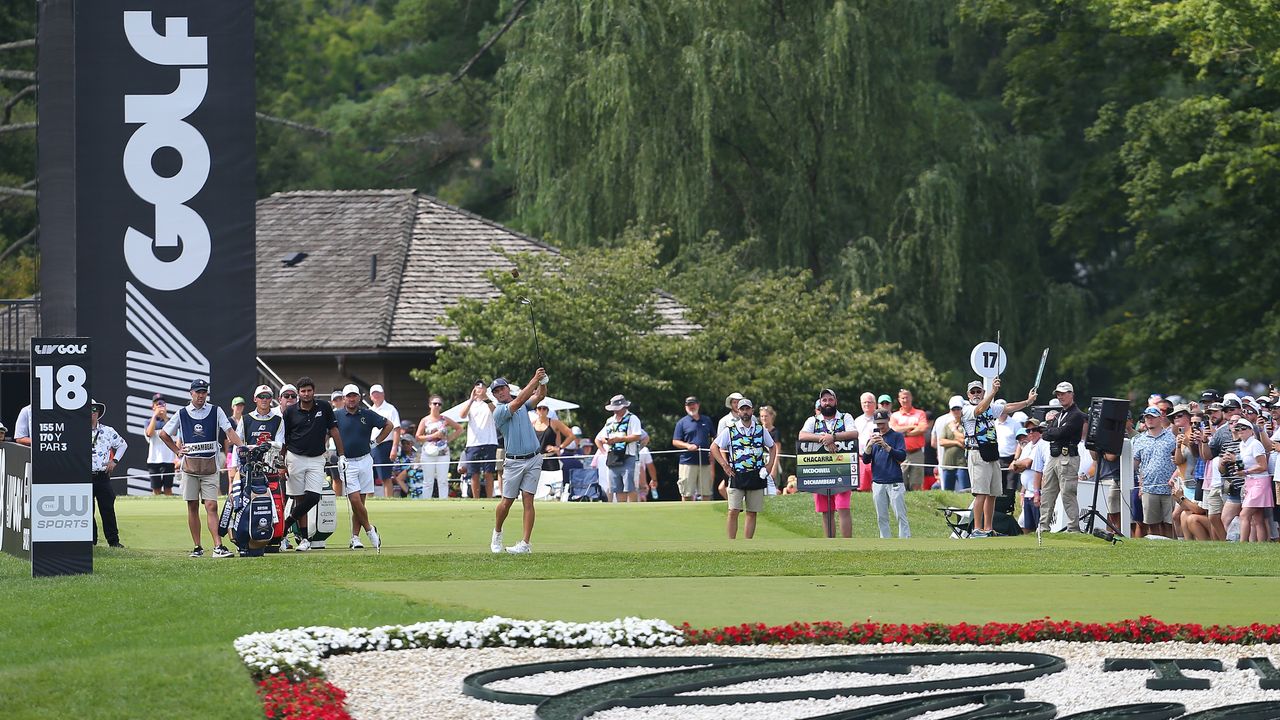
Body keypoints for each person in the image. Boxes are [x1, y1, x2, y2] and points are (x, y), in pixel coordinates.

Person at [159, 379, 243, 558]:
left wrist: (243, 447)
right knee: (193, 506)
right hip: (189, 468)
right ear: (191, 393)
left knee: (211, 505)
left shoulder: (216, 410)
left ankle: (218, 546)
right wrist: (177, 450)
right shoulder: (182, 413)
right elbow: (163, 433)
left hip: (210, 467)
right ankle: (197, 547)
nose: (200, 395)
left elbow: (229, 432)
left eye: (203, 392)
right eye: (197, 392)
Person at [965, 378, 1036, 538]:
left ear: (982, 392)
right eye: (973, 392)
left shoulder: (990, 407)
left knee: (992, 493)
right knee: (980, 493)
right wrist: (993, 392)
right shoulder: (967, 409)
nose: (976, 394)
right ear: (968, 395)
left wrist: (1027, 402)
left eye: (979, 391)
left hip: (992, 453)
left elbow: (1007, 408)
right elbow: (980, 409)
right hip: (977, 452)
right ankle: (977, 529)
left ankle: (988, 528)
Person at [280, 377, 344, 551]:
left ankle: (285, 525)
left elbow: (334, 430)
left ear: (313, 391)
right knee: (299, 498)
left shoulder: (324, 407)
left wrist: (342, 454)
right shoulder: (290, 412)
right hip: (295, 457)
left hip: (317, 457)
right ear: (299, 393)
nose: (306, 394)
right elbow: (283, 439)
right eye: (303, 391)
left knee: (313, 497)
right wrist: (281, 462)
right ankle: (304, 539)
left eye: (309, 390)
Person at [490, 370, 548, 554]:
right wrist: (535, 379)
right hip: (514, 462)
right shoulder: (500, 411)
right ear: (495, 395)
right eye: (497, 391)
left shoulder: (523, 405)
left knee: (528, 500)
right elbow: (518, 402)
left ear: (508, 388)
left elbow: (540, 395)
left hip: (534, 458)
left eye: (502, 388)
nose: (500, 392)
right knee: (506, 502)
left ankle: (525, 544)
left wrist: (543, 382)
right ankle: (497, 532)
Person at [710, 397, 777, 539]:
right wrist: (724, 465)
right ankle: (732, 544)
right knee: (733, 510)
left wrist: (770, 465)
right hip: (737, 475)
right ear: (738, 411)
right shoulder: (730, 430)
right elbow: (714, 447)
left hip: (757, 474)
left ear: (752, 411)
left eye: (748, 409)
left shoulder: (760, 430)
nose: (745, 412)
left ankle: (747, 544)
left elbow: (772, 446)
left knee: (752, 512)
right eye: (742, 409)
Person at [797, 389, 860, 539]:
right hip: (821, 471)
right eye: (824, 400)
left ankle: (848, 545)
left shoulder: (845, 417)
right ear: (820, 402)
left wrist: (834, 437)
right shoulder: (813, 420)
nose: (827, 403)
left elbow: (854, 433)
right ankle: (830, 544)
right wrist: (824, 439)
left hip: (842, 469)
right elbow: (802, 435)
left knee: (843, 508)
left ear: (835, 401)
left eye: (830, 400)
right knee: (826, 511)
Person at [335, 384, 391, 550]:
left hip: (365, 460)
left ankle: (355, 538)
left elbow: (389, 425)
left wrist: (376, 442)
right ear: (344, 398)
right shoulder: (336, 415)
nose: (351, 399)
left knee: (361, 502)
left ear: (359, 397)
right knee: (354, 499)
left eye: (354, 396)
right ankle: (369, 530)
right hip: (347, 462)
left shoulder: (367, 414)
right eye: (348, 396)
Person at [1037, 381, 1087, 532]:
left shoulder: (1077, 415)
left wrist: (1052, 431)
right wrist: (1053, 431)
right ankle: (1043, 526)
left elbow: (1059, 432)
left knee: (1067, 493)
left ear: (1071, 394)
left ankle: (1073, 527)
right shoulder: (1060, 414)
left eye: (1063, 393)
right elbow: (1046, 434)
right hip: (1054, 455)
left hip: (1068, 456)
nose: (1060, 397)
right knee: (1047, 492)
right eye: (1058, 394)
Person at [861, 408, 909, 538]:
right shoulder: (872, 438)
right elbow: (865, 460)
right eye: (878, 423)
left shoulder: (897, 436)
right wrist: (870, 445)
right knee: (881, 516)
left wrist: (886, 446)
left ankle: (905, 540)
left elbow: (902, 456)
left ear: (888, 420)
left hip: (894, 480)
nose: (880, 426)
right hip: (877, 481)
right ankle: (885, 541)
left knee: (900, 514)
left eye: (882, 422)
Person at [89, 400, 127, 548]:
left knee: (107, 509)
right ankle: (91, 541)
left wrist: (114, 461)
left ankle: (113, 541)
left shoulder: (107, 431)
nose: (91, 412)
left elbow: (123, 444)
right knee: (86, 510)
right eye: (88, 409)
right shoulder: (76, 431)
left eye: (94, 410)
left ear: (98, 413)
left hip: (102, 476)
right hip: (84, 476)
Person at [1133, 406, 1176, 537]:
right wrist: (1140, 485)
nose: (1149, 420)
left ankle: (1172, 549)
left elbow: (1179, 460)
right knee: (1152, 524)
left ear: (1160, 418)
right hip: (1149, 488)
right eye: (1147, 417)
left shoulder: (1171, 437)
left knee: (1170, 523)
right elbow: (1136, 464)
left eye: (1152, 417)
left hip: (1169, 487)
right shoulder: (1139, 440)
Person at [596, 395, 645, 502]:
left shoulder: (633, 418)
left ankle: (633, 509)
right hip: (613, 456)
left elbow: (637, 436)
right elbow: (600, 438)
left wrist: (620, 439)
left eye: (617, 409)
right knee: (617, 487)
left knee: (629, 485)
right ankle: (621, 508)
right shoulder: (609, 421)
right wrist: (606, 441)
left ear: (624, 407)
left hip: (628, 456)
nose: (615, 411)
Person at [1232, 418, 1272, 542]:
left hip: (1260, 482)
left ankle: (1242, 543)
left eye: (1244, 428)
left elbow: (1263, 466)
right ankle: (1261, 545)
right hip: (1250, 481)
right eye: (1238, 429)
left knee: (1244, 514)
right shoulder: (1242, 445)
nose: (1240, 431)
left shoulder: (1255, 444)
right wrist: (1238, 467)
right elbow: (1245, 464)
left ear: (1251, 431)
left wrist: (1245, 472)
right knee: (1257, 517)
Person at [416, 395, 462, 500]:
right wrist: (433, 436)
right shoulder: (425, 420)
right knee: (428, 481)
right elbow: (418, 437)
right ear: (430, 405)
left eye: (439, 404)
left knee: (443, 480)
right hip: (428, 452)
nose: (437, 406)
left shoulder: (444, 419)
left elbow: (459, 429)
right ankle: (426, 502)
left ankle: (443, 501)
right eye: (434, 403)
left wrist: (448, 439)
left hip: (443, 453)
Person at [459, 381, 499, 498]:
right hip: (473, 443)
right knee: (474, 473)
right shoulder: (469, 403)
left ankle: (489, 498)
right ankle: (476, 499)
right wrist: (471, 399)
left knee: (489, 472)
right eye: (477, 387)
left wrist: (485, 397)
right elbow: (462, 415)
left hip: (489, 441)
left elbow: (495, 411)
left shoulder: (491, 401)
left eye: (482, 387)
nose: (479, 390)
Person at [672, 396, 714, 501]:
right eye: (689, 405)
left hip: (705, 461)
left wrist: (713, 453)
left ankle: (705, 514)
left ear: (698, 405)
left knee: (706, 492)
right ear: (686, 407)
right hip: (687, 462)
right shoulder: (682, 423)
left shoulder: (706, 420)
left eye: (693, 404)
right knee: (686, 493)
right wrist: (687, 446)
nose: (691, 407)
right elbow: (675, 441)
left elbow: (715, 437)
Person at [889, 389, 929, 490]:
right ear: (899, 400)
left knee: (916, 483)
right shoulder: (895, 415)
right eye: (903, 398)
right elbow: (894, 429)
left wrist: (904, 433)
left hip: (917, 453)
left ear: (911, 398)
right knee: (901, 482)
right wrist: (912, 426)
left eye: (907, 397)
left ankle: (915, 503)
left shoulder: (920, 413)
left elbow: (923, 428)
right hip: (900, 453)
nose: (905, 400)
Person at [367, 384, 402, 498]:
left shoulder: (391, 409)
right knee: (368, 476)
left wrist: (394, 448)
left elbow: (397, 429)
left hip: (385, 445)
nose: (376, 395)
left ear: (383, 394)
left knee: (385, 476)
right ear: (371, 397)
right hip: (371, 446)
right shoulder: (370, 410)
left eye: (378, 393)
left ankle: (389, 500)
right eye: (374, 393)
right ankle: (369, 501)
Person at [1011, 420, 1045, 533]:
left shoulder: (1041, 444)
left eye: (1034, 430)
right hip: (1027, 493)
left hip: (1038, 492)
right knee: (1027, 527)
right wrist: (1019, 464)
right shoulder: (1028, 446)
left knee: (1038, 527)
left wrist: (1019, 463)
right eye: (1028, 431)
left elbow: (1027, 464)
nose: (1030, 433)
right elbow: (1015, 468)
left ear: (1040, 431)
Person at [932, 396, 969, 492]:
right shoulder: (947, 424)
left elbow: (966, 441)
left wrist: (954, 430)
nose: (956, 411)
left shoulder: (967, 424)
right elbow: (941, 441)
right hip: (947, 464)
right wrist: (956, 442)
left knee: (964, 491)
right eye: (954, 409)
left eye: (958, 409)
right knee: (948, 492)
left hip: (962, 464)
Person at [144, 393, 177, 495]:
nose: (160, 406)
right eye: (157, 404)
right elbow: (149, 433)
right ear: (153, 407)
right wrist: (155, 416)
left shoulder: (170, 421)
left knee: (168, 488)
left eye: (162, 404)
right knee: (156, 489)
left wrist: (165, 417)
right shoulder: (148, 421)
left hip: (169, 460)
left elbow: (174, 433)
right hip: (154, 460)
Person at [853, 392, 876, 492]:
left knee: (876, 486)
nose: (866, 404)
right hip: (861, 458)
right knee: (863, 488)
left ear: (874, 404)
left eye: (869, 402)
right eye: (864, 402)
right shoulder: (857, 420)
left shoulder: (879, 419)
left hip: (876, 458)